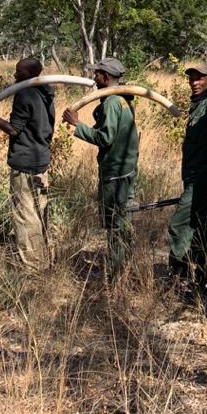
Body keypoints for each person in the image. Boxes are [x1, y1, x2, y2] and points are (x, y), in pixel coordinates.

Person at [62, 57, 139, 282]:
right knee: (120, 222)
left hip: (116, 173)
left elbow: (106, 138)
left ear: (106, 77)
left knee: (117, 223)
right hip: (122, 169)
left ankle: (117, 275)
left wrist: (78, 125)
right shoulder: (121, 99)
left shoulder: (113, 102)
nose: (94, 78)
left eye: (97, 74)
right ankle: (121, 268)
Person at [0, 57, 55, 271]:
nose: (15, 76)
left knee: (25, 214)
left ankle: (33, 268)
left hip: (25, 162)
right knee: (40, 212)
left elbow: (14, 129)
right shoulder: (47, 92)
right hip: (41, 159)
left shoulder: (25, 93)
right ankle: (43, 259)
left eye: (19, 72)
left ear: (30, 74)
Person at [167, 63, 207, 298]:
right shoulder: (198, 105)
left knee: (178, 227)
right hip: (192, 177)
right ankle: (203, 279)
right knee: (200, 229)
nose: (194, 82)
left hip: (202, 180)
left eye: (200, 78)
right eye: (191, 78)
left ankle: (180, 278)